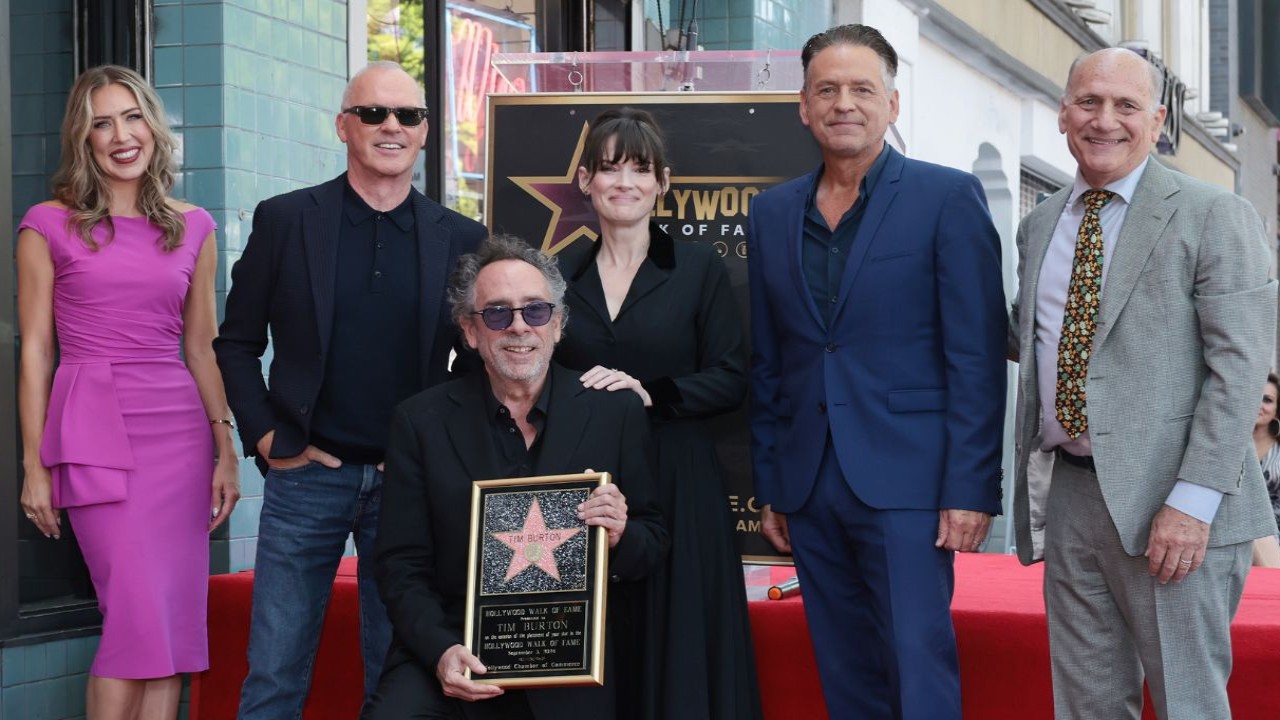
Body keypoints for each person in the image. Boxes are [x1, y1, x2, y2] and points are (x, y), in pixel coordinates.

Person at [746, 24, 1007, 720]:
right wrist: (774, 483)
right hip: (809, 484)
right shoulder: (771, 214)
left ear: (893, 103)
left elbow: (976, 357)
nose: (844, 103)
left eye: (862, 89)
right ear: (802, 106)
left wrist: (971, 487)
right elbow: (770, 360)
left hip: (913, 486)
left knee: (916, 663)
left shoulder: (946, 198)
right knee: (843, 665)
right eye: (826, 89)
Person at [1009, 47, 1278, 719]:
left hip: (1178, 503)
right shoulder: (1040, 223)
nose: (1106, 120)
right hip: (1071, 494)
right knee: (1087, 704)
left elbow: (1239, 367)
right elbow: (1033, 342)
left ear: (1157, 121)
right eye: (1089, 102)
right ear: (1063, 114)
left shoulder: (1214, 214)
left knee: (1188, 705)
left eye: (1126, 105)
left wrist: (1192, 503)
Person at [214, 61, 487, 718]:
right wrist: (268, 436)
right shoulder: (286, 220)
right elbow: (236, 343)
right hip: (306, 474)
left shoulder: (463, 238)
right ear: (343, 126)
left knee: (395, 672)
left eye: (408, 115)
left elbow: (480, 364)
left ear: (424, 132)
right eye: (372, 113)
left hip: (408, 484)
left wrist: (437, 454)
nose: (390, 126)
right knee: (276, 670)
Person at [364, 234, 668, 719]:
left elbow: (652, 543)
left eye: (536, 311)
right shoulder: (420, 422)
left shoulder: (614, 413)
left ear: (559, 324)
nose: (519, 328)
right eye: (498, 314)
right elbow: (401, 564)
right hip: (456, 644)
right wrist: (442, 650)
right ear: (470, 331)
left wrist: (620, 534)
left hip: (572, 651)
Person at [16, 64, 240, 720]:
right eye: (102, 123)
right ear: (83, 140)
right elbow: (35, 349)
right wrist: (34, 464)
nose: (121, 135)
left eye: (132, 116)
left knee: (169, 627)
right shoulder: (45, 224)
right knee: (134, 618)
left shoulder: (192, 225)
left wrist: (224, 448)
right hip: (91, 431)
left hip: (179, 437)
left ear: (153, 125)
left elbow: (201, 346)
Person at [552, 107, 761, 720]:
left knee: (683, 644)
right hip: (584, 482)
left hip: (678, 476)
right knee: (595, 640)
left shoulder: (698, 270)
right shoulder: (559, 276)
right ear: (586, 180)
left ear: (662, 183)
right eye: (610, 167)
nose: (625, 182)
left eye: (640, 169)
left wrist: (651, 392)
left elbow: (731, 376)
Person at [1252, 374, 1280, 566]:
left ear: (1276, 409)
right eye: (1254, 395)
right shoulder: (1229, 446)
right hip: (1236, 529)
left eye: (1267, 400)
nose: (1259, 404)